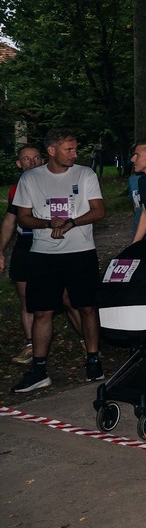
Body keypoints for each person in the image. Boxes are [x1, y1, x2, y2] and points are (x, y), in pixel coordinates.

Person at [11, 129, 105, 392]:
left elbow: (98, 210)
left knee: (86, 307)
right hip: (43, 255)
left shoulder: (85, 174)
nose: (74, 154)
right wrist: (47, 223)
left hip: (81, 252)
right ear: (52, 151)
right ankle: (39, 369)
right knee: (42, 311)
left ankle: (93, 360)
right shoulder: (30, 178)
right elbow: (23, 217)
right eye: (69, 149)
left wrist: (71, 223)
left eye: (75, 149)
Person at [1, 144, 43, 365]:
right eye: (27, 159)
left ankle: (87, 341)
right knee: (26, 296)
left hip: (53, 244)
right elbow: (9, 221)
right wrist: (0, 250)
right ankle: (30, 344)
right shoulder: (15, 189)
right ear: (19, 164)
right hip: (25, 243)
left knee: (66, 297)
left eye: (36, 158)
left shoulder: (55, 182)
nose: (32, 162)